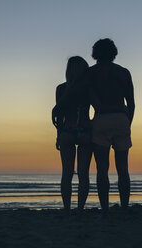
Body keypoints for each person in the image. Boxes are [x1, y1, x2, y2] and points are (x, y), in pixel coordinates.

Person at [54, 39, 135, 217]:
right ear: (114, 52)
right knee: (122, 168)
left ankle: (102, 210)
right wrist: (126, 122)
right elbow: (132, 103)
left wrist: (57, 111)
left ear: (95, 53)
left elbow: (75, 94)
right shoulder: (124, 72)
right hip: (116, 120)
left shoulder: (89, 74)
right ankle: (123, 208)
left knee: (99, 169)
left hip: (94, 123)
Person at [52, 56, 93, 216]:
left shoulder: (61, 89)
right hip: (85, 130)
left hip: (67, 131)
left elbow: (59, 116)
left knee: (66, 174)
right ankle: (80, 209)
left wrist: (58, 136)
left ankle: (67, 210)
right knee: (84, 174)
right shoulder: (88, 88)